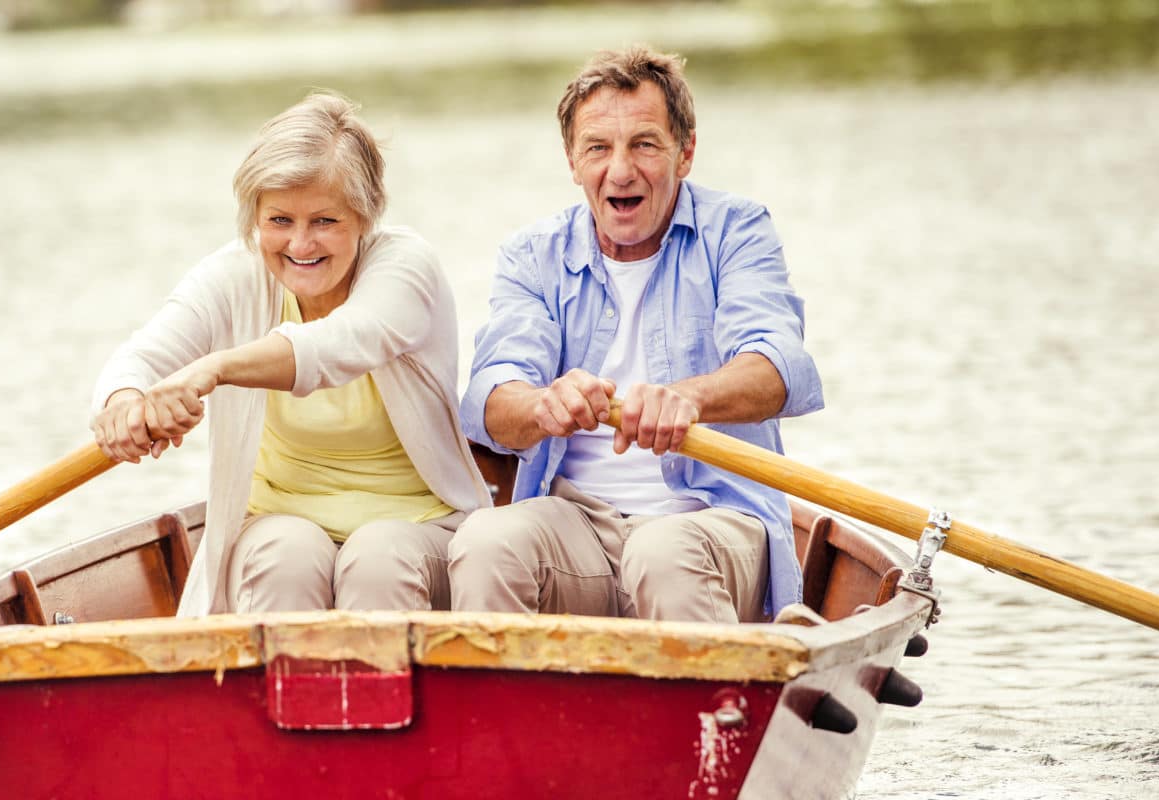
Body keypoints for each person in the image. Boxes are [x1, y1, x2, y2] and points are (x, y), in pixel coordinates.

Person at [450, 46, 824, 624]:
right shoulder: (532, 255)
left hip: (712, 521)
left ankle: (712, 713)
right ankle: (503, 715)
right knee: (484, 543)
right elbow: (490, 400)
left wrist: (689, 397)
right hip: (578, 528)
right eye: (598, 148)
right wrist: (542, 404)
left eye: (644, 144)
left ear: (686, 151)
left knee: (662, 552)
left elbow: (778, 367)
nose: (620, 171)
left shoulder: (737, 230)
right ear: (573, 162)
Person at [91, 93, 490, 618]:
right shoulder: (233, 274)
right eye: (279, 220)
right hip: (277, 523)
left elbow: (336, 346)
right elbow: (140, 358)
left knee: (375, 562)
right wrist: (124, 403)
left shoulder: (405, 267)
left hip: (422, 526)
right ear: (254, 216)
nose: (300, 244)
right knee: (286, 561)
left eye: (325, 220)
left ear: (365, 216)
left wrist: (214, 369)